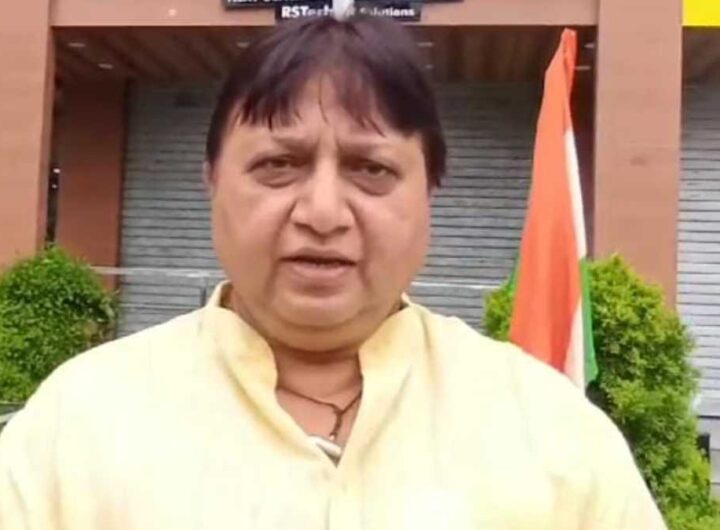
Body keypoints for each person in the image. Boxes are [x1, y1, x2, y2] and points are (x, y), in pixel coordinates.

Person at [0, 15, 665, 530]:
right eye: (278, 165)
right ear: (212, 183)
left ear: (429, 194)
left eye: (371, 169)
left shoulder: (549, 429)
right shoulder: (77, 424)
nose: (322, 213)